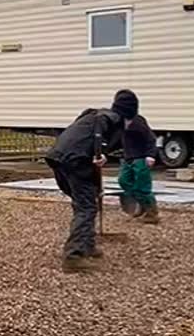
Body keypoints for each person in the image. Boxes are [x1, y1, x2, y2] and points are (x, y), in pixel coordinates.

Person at [45, 90, 140, 271]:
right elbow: (98, 133)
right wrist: (99, 152)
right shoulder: (109, 119)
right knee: (86, 207)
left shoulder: (94, 114)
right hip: (75, 160)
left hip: (59, 156)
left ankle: (86, 245)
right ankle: (74, 256)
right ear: (129, 112)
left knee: (85, 202)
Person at [118, 105, 159, 224]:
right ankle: (141, 204)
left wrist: (151, 155)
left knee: (142, 186)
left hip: (140, 158)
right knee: (123, 181)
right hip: (128, 158)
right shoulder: (120, 124)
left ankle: (152, 212)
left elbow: (151, 139)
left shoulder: (138, 122)